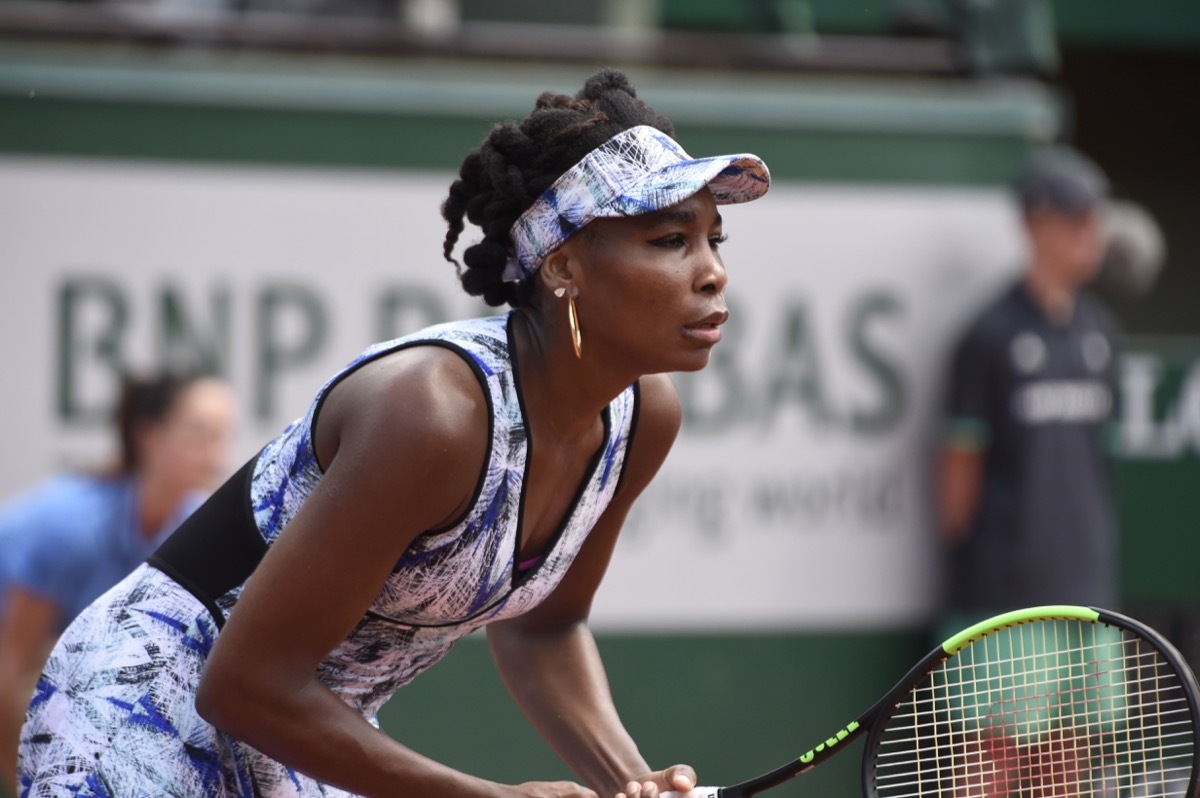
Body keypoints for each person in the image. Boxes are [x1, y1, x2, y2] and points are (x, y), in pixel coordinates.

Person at [17, 68, 771, 798]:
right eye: (671, 240)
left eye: (714, 240)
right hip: (140, 714)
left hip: (304, 728)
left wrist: (632, 786)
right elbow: (246, 684)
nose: (711, 273)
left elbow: (544, 629)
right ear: (564, 265)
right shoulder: (432, 414)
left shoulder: (644, 420)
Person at [934, 146, 1121, 797]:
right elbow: (956, 482)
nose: (1089, 234)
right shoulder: (987, 336)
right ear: (1035, 222)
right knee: (990, 770)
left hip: (1087, 597)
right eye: (1075, 218)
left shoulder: (1100, 333)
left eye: (1095, 219)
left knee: (1065, 774)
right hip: (1002, 604)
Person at [0, 370, 237, 789]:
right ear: (149, 436)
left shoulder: (198, 523)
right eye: (199, 432)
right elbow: (10, 668)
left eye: (221, 435)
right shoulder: (68, 528)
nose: (214, 452)